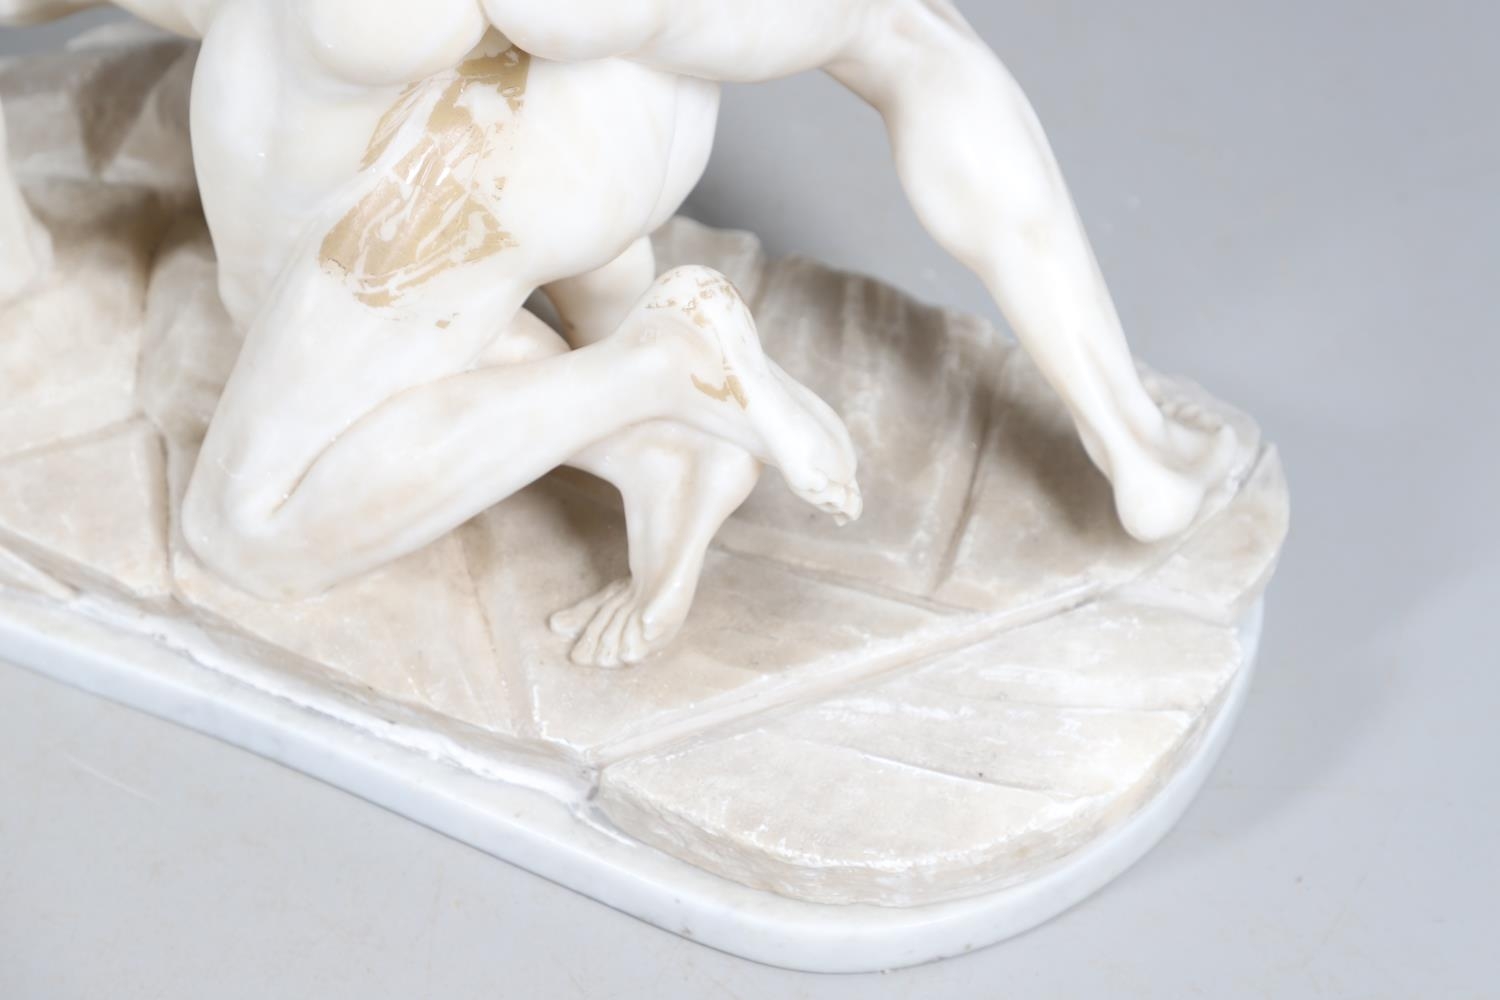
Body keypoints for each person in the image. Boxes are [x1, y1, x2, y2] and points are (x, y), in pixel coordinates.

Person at [1, 0, 1239, 666]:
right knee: (274, 319)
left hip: (461, 181)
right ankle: (659, 454)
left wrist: (1124, 425)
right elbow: (917, 49)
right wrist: (1129, 435)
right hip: (420, 173)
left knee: (250, 523)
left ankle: (660, 370)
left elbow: (910, 50)